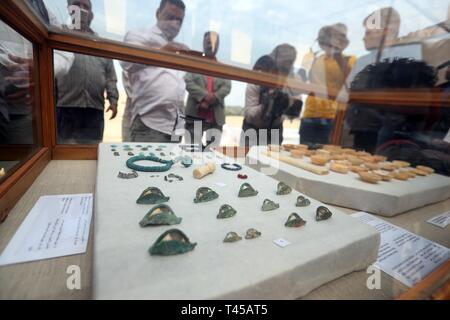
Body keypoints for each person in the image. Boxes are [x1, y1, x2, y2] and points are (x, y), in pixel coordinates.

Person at [344, 7, 417, 153]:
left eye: (368, 32)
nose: (364, 37)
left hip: (391, 133)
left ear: (386, 31)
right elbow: (345, 94)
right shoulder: (362, 61)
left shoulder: (408, 56)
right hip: (361, 128)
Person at [121, 0, 189, 143]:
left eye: (179, 20)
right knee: (145, 165)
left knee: (172, 165)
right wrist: (163, 52)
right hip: (150, 123)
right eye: (170, 17)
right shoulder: (139, 36)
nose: (174, 23)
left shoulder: (180, 48)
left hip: (176, 126)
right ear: (158, 14)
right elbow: (127, 61)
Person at [55, 0, 119, 144]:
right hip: (66, 108)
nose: (81, 10)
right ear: (69, 9)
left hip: (94, 110)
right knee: (64, 153)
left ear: (91, 15)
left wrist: (113, 100)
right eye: (77, 5)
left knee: (92, 152)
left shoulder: (101, 44)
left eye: (86, 7)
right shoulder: (60, 35)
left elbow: (110, 76)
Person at [300, 23, 356, 146]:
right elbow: (303, 79)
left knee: (325, 157)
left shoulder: (350, 60)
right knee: (301, 153)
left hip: (332, 116)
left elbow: (351, 83)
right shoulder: (316, 59)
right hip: (310, 113)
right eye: (323, 40)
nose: (327, 44)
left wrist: (337, 53)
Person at [184, 31, 232, 147]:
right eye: (208, 42)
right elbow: (188, 81)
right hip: (194, 116)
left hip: (216, 118)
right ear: (203, 43)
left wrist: (214, 97)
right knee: (192, 151)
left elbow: (227, 86)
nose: (211, 46)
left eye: (215, 43)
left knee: (212, 154)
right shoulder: (194, 64)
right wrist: (205, 96)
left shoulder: (223, 68)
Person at [240, 55, 285, 146]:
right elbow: (250, 114)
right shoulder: (253, 84)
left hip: (274, 129)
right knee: (248, 158)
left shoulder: (281, 86)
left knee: (273, 159)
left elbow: (287, 114)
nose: (260, 74)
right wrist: (266, 104)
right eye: (258, 71)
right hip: (253, 129)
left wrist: (285, 103)